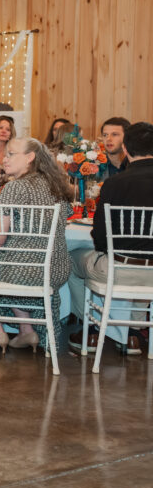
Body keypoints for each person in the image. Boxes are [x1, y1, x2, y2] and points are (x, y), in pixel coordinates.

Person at [0, 138, 72, 352]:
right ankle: (25, 329)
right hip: (54, 267)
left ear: (30, 157)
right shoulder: (57, 186)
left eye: (12, 154)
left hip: (22, 271)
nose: (5, 158)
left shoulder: (14, 188)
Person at [69, 122, 153, 355]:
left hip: (118, 267)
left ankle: (92, 329)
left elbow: (100, 239)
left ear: (125, 149)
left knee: (71, 257)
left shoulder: (115, 183)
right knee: (145, 264)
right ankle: (134, 334)